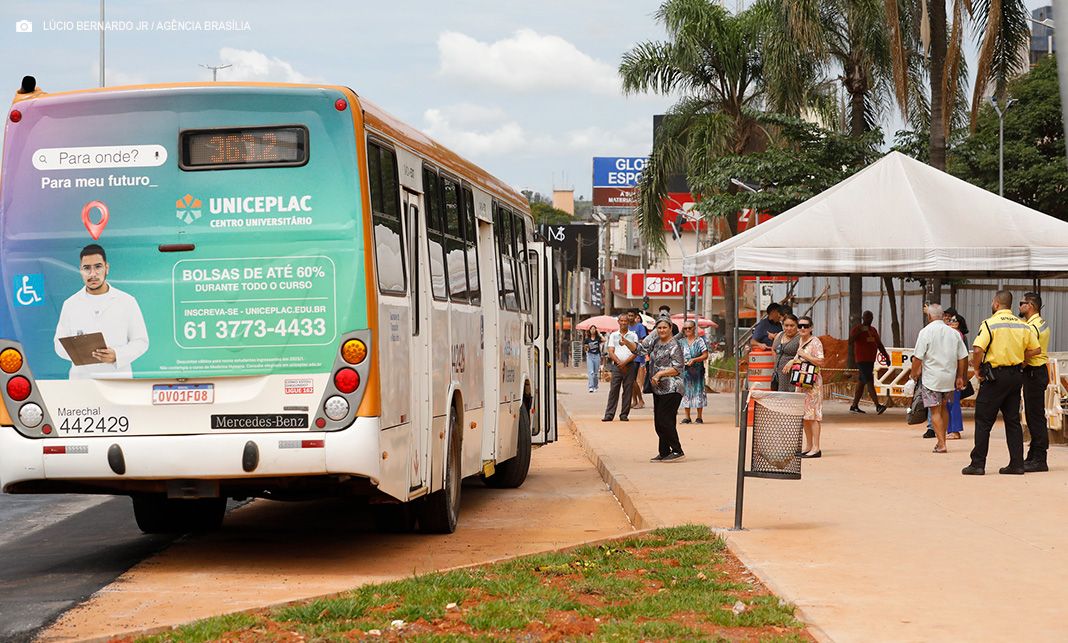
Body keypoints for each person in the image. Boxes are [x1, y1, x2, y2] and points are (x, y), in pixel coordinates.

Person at [962, 290, 1040, 476]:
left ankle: (977, 464)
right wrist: (1021, 358)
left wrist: (978, 369)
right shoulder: (1023, 325)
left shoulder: (990, 324)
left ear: (996, 303)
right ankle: (1017, 464)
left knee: (983, 421)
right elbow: (1036, 349)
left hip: (995, 377)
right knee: (1012, 421)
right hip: (1015, 376)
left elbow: (978, 348)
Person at [54, 243, 149, 379]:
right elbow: (59, 344)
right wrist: (79, 353)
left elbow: (141, 341)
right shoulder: (70, 304)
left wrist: (117, 355)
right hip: (82, 381)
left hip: (118, 379)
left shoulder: (127, 301)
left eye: (98, 267)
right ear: (80, 270)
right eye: (86, 268)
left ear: (107, 268)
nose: (93, 274)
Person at [619, 319, 686, 462]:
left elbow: (678, 368)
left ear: (670, 329)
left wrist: (660, 374)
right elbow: (640, 350)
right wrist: (626, 342)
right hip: (659, 388)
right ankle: (664, 451)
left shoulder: (674, 345)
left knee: (665, 420)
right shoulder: (655, 343)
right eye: (659, 328)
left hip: (673, 387)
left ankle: (677, 450)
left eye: (664, 328)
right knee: (659, 421)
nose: (661, 330)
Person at [909, 304, 969, 454]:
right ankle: (942, 439)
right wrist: (961, 376)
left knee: (935, 410)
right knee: (944, 408)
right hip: (949, 379)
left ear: (929, 316)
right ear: (943, 316)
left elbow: (917, 357)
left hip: (932, 379)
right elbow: (963, 357)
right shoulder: (954, 333)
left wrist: (913, 374)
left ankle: (941, 443)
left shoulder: (925, 332)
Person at [1019, 292, 1051, 472]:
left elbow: (1032, 350)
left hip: (1033, 372)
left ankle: (1039, 459)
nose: (1020, 306)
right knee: (1035, 415)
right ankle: (1034, 454)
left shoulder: (1031, 327)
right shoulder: (1041, 323)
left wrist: (1018, 360)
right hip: (1039, 372)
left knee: (1035, 417)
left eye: (1022, 303)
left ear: (1030, 305)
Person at [786, 316, 826, 457]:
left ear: (811, 328)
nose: (802, 328)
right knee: (805, 416)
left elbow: (821, 361)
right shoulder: (801, 341)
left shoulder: (815, 342)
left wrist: (804, 355)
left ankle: (816, 447)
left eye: (806, 326)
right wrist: (793, 361)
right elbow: (800, 358)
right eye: (800, 326)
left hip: (812, 383)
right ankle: (808, 446)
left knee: (814, 415)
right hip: (801, 382)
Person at [849, 310, 890, 414]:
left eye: (870, 317)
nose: (868, 319)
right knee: (869, 381)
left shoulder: (873, 330)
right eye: (866, 317)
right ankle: (877, 405)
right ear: (863, 318)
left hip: (870, 360)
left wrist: (886, 356)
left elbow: (879, 344)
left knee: (861, 382)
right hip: (861, 360)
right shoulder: (857, 329)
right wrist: (860, 332)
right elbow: (850, 341)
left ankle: (854, 406)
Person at [602, 314, 638, 422]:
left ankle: (624, 414)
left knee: (628, 390)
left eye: (625, 321)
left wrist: (625, 362)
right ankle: (609, 414)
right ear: (618, 322)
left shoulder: (633, 335)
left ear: (628, 322)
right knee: (614, 390)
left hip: (630, 365)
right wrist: (619, 363)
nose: (623, 323)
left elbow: (635, 352)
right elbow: (611, 351)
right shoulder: (613, 335)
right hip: (617, 366)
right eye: (621, 321)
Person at [944, 310, 971, 440]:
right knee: (949, 402)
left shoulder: (957, 335)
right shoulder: (955, 335)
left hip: (954, 373)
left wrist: (961, 376)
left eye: (954, 320)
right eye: (950, 320)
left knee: (953, 402)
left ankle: (955, 430)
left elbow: (962, 357)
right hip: (952, 372)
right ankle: (951, 429)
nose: (950, 322)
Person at [678, 320, 708, 424]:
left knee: (698, 391)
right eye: (685, 328)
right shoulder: (681, 342)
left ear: (694, 328)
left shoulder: (699, 341)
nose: (687, 330)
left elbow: (705, 355)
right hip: (685, 371)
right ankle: (687, 416)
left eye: (689, 328)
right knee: (686, 392)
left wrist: (695, 360)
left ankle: (699, 416)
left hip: (697, 371)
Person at [771, 314, 800, 392]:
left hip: (792, 376)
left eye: (792, 325)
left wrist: (793, 361)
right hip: (778, 375)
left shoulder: (800, 338)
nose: (789, 328)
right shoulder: (779, 335)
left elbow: (804, 354)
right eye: (786, 325)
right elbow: (773, 349)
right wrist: (776, 363)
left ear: (797, 325)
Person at [628, 309, 649, 409]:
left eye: (632, 315)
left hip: (637, 356)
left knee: (633, 379)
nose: (630, 317)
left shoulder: (639, 326)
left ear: (635, 316)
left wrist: (632, 343)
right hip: (627, 357)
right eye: (629, 315)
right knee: (630, 380)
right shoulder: (626, 327)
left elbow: (643, 340)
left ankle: (640, 400)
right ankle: (634, 400)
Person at [584, 327, 603, 393]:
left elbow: (604, 340)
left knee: (595, 373)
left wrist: (599, 333)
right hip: (590, 356)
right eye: (591, 329)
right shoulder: (587, 339)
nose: (593, 330)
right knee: (591, 372)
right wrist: (587, 348)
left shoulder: (598, 338)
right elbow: (585, 348)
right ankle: (591, 387)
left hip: (597, 355)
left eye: (594, 329)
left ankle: (595, 386)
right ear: (589, 330)